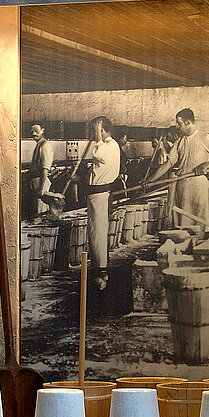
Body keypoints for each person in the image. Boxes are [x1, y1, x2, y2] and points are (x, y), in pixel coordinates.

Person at [144, 108, 209, 238]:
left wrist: (207, 164)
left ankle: (202, 249)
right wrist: (150, 180)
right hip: (183, 189)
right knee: (184, 226)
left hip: (199, 187)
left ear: (188, 122)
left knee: (200, 223)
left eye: (179, 123)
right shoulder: (180, 141)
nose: (177, 126)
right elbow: (168, 164)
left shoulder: (205, 138)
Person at [87, 116, 120, 289]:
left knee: (98, 232)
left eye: (95, 129)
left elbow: (98, 154)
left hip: (100, 193)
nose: (93, 134)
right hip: (97, 194)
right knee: (95, 232)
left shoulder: (110, 145)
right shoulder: (108, 146)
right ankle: (98, 269)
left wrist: (98, 138)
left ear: (102, 129)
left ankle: (101, 274)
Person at [22, 123, 54, 219]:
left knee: (41, 211)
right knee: (37, 210)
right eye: (32, 131)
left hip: (41, 181)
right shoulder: (39, 145)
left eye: (36, 130)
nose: (34, 133)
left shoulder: (45, 146)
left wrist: (41, 188)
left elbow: (45, 169)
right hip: (36, 181)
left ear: (43, 130)